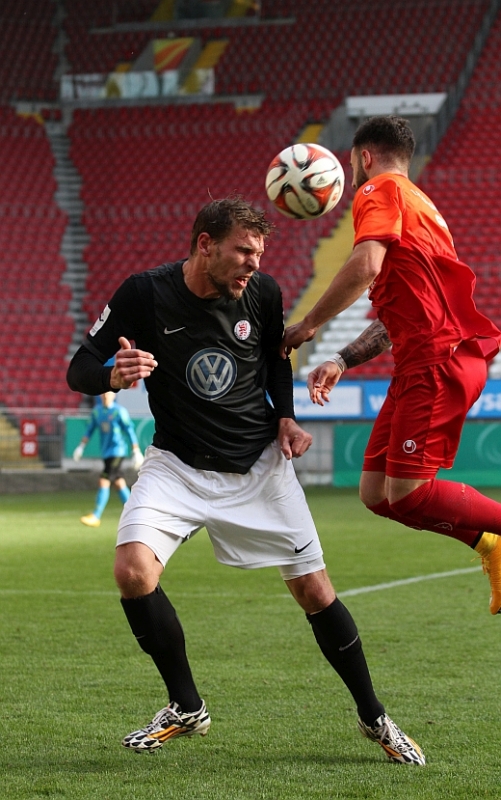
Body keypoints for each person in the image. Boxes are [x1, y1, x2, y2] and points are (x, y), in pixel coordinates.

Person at [67, 196, 424, 765]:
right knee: (132, 572)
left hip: (258, 466)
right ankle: (186, 706)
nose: (253, 264)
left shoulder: (263, 293)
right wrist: (112, 373)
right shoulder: (144, 293)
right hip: (178, 464)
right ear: (205, 244)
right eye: (243, 252)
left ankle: (374, 717)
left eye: (259, 253)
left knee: (315, 591)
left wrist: (286, 417)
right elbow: (79, 367)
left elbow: (276, 360)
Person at [281, 115, 501, 615]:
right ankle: (490, 544)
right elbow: (392, 315)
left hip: (436, 360)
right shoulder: (421, 207)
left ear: (364, 157)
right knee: (377, 493)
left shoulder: (377, 189)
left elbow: (366, 265)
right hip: (425, 360)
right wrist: (341, 359)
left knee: (407, 494)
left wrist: (309, 323)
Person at [73, 391, 144, 527]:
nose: (105, 396)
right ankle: (136, 513)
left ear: (114, 395)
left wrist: (136, 450)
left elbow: (129, 430)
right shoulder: (97, 411)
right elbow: (89, 429)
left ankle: (96, 515)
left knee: (104, 480)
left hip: (117, 451)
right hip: (106, 452)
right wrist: (81, 446)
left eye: (108, 393)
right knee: (118, 482)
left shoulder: (119, 411)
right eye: (103, 393)